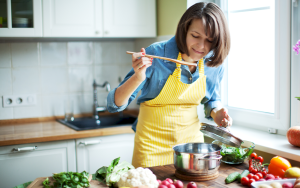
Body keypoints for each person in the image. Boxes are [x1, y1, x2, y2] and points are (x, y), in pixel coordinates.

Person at [107, 2, 232, 168]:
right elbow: (114, 105)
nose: (201, 46)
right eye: (195, 36)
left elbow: (211, 100)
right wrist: (138, 77)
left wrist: (217, 114)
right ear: (184, 30)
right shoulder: (157, 54)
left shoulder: (213, 64)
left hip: (191, 149)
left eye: (210, 40)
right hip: (150, 148)